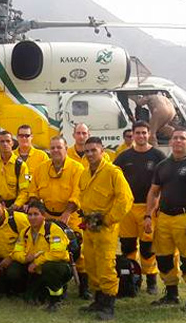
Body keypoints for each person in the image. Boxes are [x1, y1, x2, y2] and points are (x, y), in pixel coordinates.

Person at [145, 127, 186, 312]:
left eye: (182, 138)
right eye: (175, 138)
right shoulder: (162, 166)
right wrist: (148, 215)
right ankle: (171, 294)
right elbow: (153, 192)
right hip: (164, 217)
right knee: (164, 258)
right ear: (171, 141)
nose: (178, 141)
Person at [76, 137, 133, 320]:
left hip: (105, 229)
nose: (90, 154)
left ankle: (108, 304)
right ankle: (98, 300)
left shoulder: (113, 172)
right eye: (87, 151)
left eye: (94, 150)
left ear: (102, 151)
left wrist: (108, 220)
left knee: (106, 264)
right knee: (91, 264)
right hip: (89, 227)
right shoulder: (85, 173)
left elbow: (125, 199)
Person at [28, 135, 89, 299]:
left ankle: (84, 287)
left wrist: (67, 213)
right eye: (52, 147)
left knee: (77, 251)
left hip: (71, 215)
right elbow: (33, 192)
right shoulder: (41, 168)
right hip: (47, 215)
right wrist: (39, 213)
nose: (55, 150)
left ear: (65, 148)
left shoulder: (77, 168)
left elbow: (78, 193)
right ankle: (54, 284)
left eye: (58, 147)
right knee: (50, 250)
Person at [112, 121, 166, 295]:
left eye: (144, 133)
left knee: (147, 247)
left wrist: (156, 208)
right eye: (138, 133)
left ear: (149, 134)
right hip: (127, 209)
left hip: (149, 208)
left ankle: (151, 280)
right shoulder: (123, 157)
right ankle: (131, 279)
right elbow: (113, 181)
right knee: (127, 246)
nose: (141, 136)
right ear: (132, 135)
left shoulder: (158, 156)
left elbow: (164, 184)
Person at [9, 201, 74, 312]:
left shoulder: (53, 230)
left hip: (57, 267)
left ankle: (56, 298)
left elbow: (58, 253)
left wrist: (37, 261)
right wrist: (25, 258)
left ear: (43, 216)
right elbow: (16, 252)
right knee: (13, 270)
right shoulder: (25, 232)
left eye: (36, 214)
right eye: (30, 214)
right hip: (36, 271)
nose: (32, 217)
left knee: (50, 267)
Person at [0, 193, 30, 295]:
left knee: (13, 273)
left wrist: (11, 258)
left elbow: (30, 242)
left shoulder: (19, 219)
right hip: (0, 261)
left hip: (19, 259)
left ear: (3, 205)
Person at [0, 131, 31, 211]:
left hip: (14, 206)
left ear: (12, 143)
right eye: (2, 141)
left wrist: (15, 205)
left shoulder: (20, 165)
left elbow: (25, 191)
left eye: (8, 141)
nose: (5, 144)